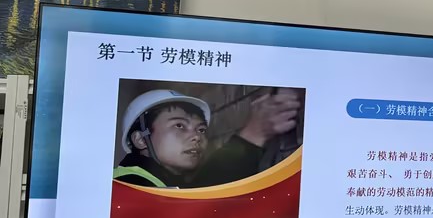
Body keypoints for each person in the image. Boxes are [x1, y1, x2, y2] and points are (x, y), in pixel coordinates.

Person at [113, 87, 301, 189]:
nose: (196, 136)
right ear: (141, 140)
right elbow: (197, 210)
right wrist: (253, 133)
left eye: (201, 129)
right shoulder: (128, 185)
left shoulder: (167, 182)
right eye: (179, 125)